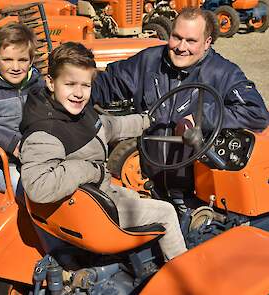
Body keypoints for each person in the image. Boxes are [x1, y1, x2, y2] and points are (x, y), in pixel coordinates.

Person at [19, 41, 187, 261]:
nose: (79, 93)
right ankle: (183, 269)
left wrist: (147, 120)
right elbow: (38, 188)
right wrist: (90, 170)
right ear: (51, 82)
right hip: (90, 216)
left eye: (85, 86)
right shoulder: (46, 132)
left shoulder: (69, 111)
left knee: (135, 194)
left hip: (92, 199)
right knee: (166, 211)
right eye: (70, 84)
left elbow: (107, 127)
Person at [90, 7, 269, 209]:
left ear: (207, 42)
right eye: (177, 37)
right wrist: (73, 94)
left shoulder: (223, 73)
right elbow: (106, 85)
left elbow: (257, 113)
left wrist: (201, 119)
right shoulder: (148, 61)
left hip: (196, 194)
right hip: (151, 185)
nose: (181, 47)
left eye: (191, 41)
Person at [0, 22, 44, 194]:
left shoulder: (37, 84)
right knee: (29, 190)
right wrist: (10, 141)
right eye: (7, 60)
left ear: (31, 60)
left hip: (37, 157)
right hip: (2, 166)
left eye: (22, 60)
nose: (15, 67)